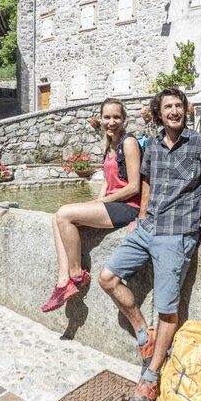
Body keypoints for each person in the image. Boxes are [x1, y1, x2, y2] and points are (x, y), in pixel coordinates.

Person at [98, 87, 201, 401]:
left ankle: (150, 377)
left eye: (178, 106)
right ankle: (145, 334)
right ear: (158, 113)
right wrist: (141, 217)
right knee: (107, 278)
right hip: (148, 229)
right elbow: (145, 182)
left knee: (167, 310)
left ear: (185, 110)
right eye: (167, 107)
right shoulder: (153, 145)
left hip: (177, 236)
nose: (173, 111)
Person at [41, 98, 143, 313]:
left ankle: (77, 275)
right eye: (107, 117)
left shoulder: (129, 143)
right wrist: (95, 202)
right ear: (101, 119)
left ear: (124, 119)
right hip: (114, 204)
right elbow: (107, 182)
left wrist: (101, 202)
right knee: (56, 217)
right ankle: (63, 282)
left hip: (128, 207)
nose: (111, 122)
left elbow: (134, 187)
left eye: (116, 117)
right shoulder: (110, 145)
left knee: (64, 214)